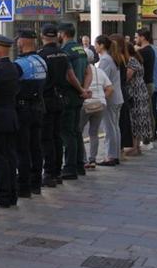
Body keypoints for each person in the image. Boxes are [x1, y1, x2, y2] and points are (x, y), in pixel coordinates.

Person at [14, 29, 47, 198]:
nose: (17, 43)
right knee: (36, 147)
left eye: (18, 40)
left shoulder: (20, 64)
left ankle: (24, 186)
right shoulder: (41, 61)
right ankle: (36, 183)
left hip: (23, 110)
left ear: (23, 41)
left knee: (23, 149)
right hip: (38, 108)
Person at [0, 34, 21, 208]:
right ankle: (11, 194)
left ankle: (1, 194)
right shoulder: (14, 68)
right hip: (12, 117)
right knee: (10, 157)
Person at [58, 23, 92, 180]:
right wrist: (84, 90)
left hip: (69, 95)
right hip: (79, 96)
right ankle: (79, 165)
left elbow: (69, 76)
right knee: (76, 130)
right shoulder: (81, 50)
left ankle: (70, 167)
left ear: (63, 34)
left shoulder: (65, 51)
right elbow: (88, 72)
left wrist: (80, 90)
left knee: (67, 132)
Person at [38, 24, 68, 188]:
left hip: (47, 99)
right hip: (61, 98)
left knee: (47, 138)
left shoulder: (42, 55)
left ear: (42, 36)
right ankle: (57, 171)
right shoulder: (63, 53)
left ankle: (49, 173)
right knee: (57, 136)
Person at [94, 35, 124, 167]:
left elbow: (102, 80)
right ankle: (115, 154)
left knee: (109, 128)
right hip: (117, 97)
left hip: (110, 98)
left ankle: (111, 156)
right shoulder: (112, 58)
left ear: (101, 45)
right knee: (115, 127)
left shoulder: (105, 60)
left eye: (96, 44)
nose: (95, 47)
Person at [80, 61, 113, 169]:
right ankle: (92, 159)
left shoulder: (81, 72)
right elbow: (110, 88)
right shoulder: (100, 72)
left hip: (86, 104)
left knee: (78, 131)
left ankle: (84, 159)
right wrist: (102, 98)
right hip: (100, 104)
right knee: (94, 132)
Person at [122, 43, 151, 156]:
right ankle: (137, 146)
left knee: (134, 118)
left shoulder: (131, 61)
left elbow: (127, 77)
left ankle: (134, 146)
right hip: (140, 91)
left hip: (135, 92)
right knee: (139, 118)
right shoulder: (136, 60)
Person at [135, 29, 157, 146]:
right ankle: (151, 135)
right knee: (149, 111)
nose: (135, 40)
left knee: (146, 112)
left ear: (142, 37)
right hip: (150, 82)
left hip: (146, 83)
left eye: (137, 37)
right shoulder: (150, 50)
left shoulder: (144, 51)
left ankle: (148, 137)